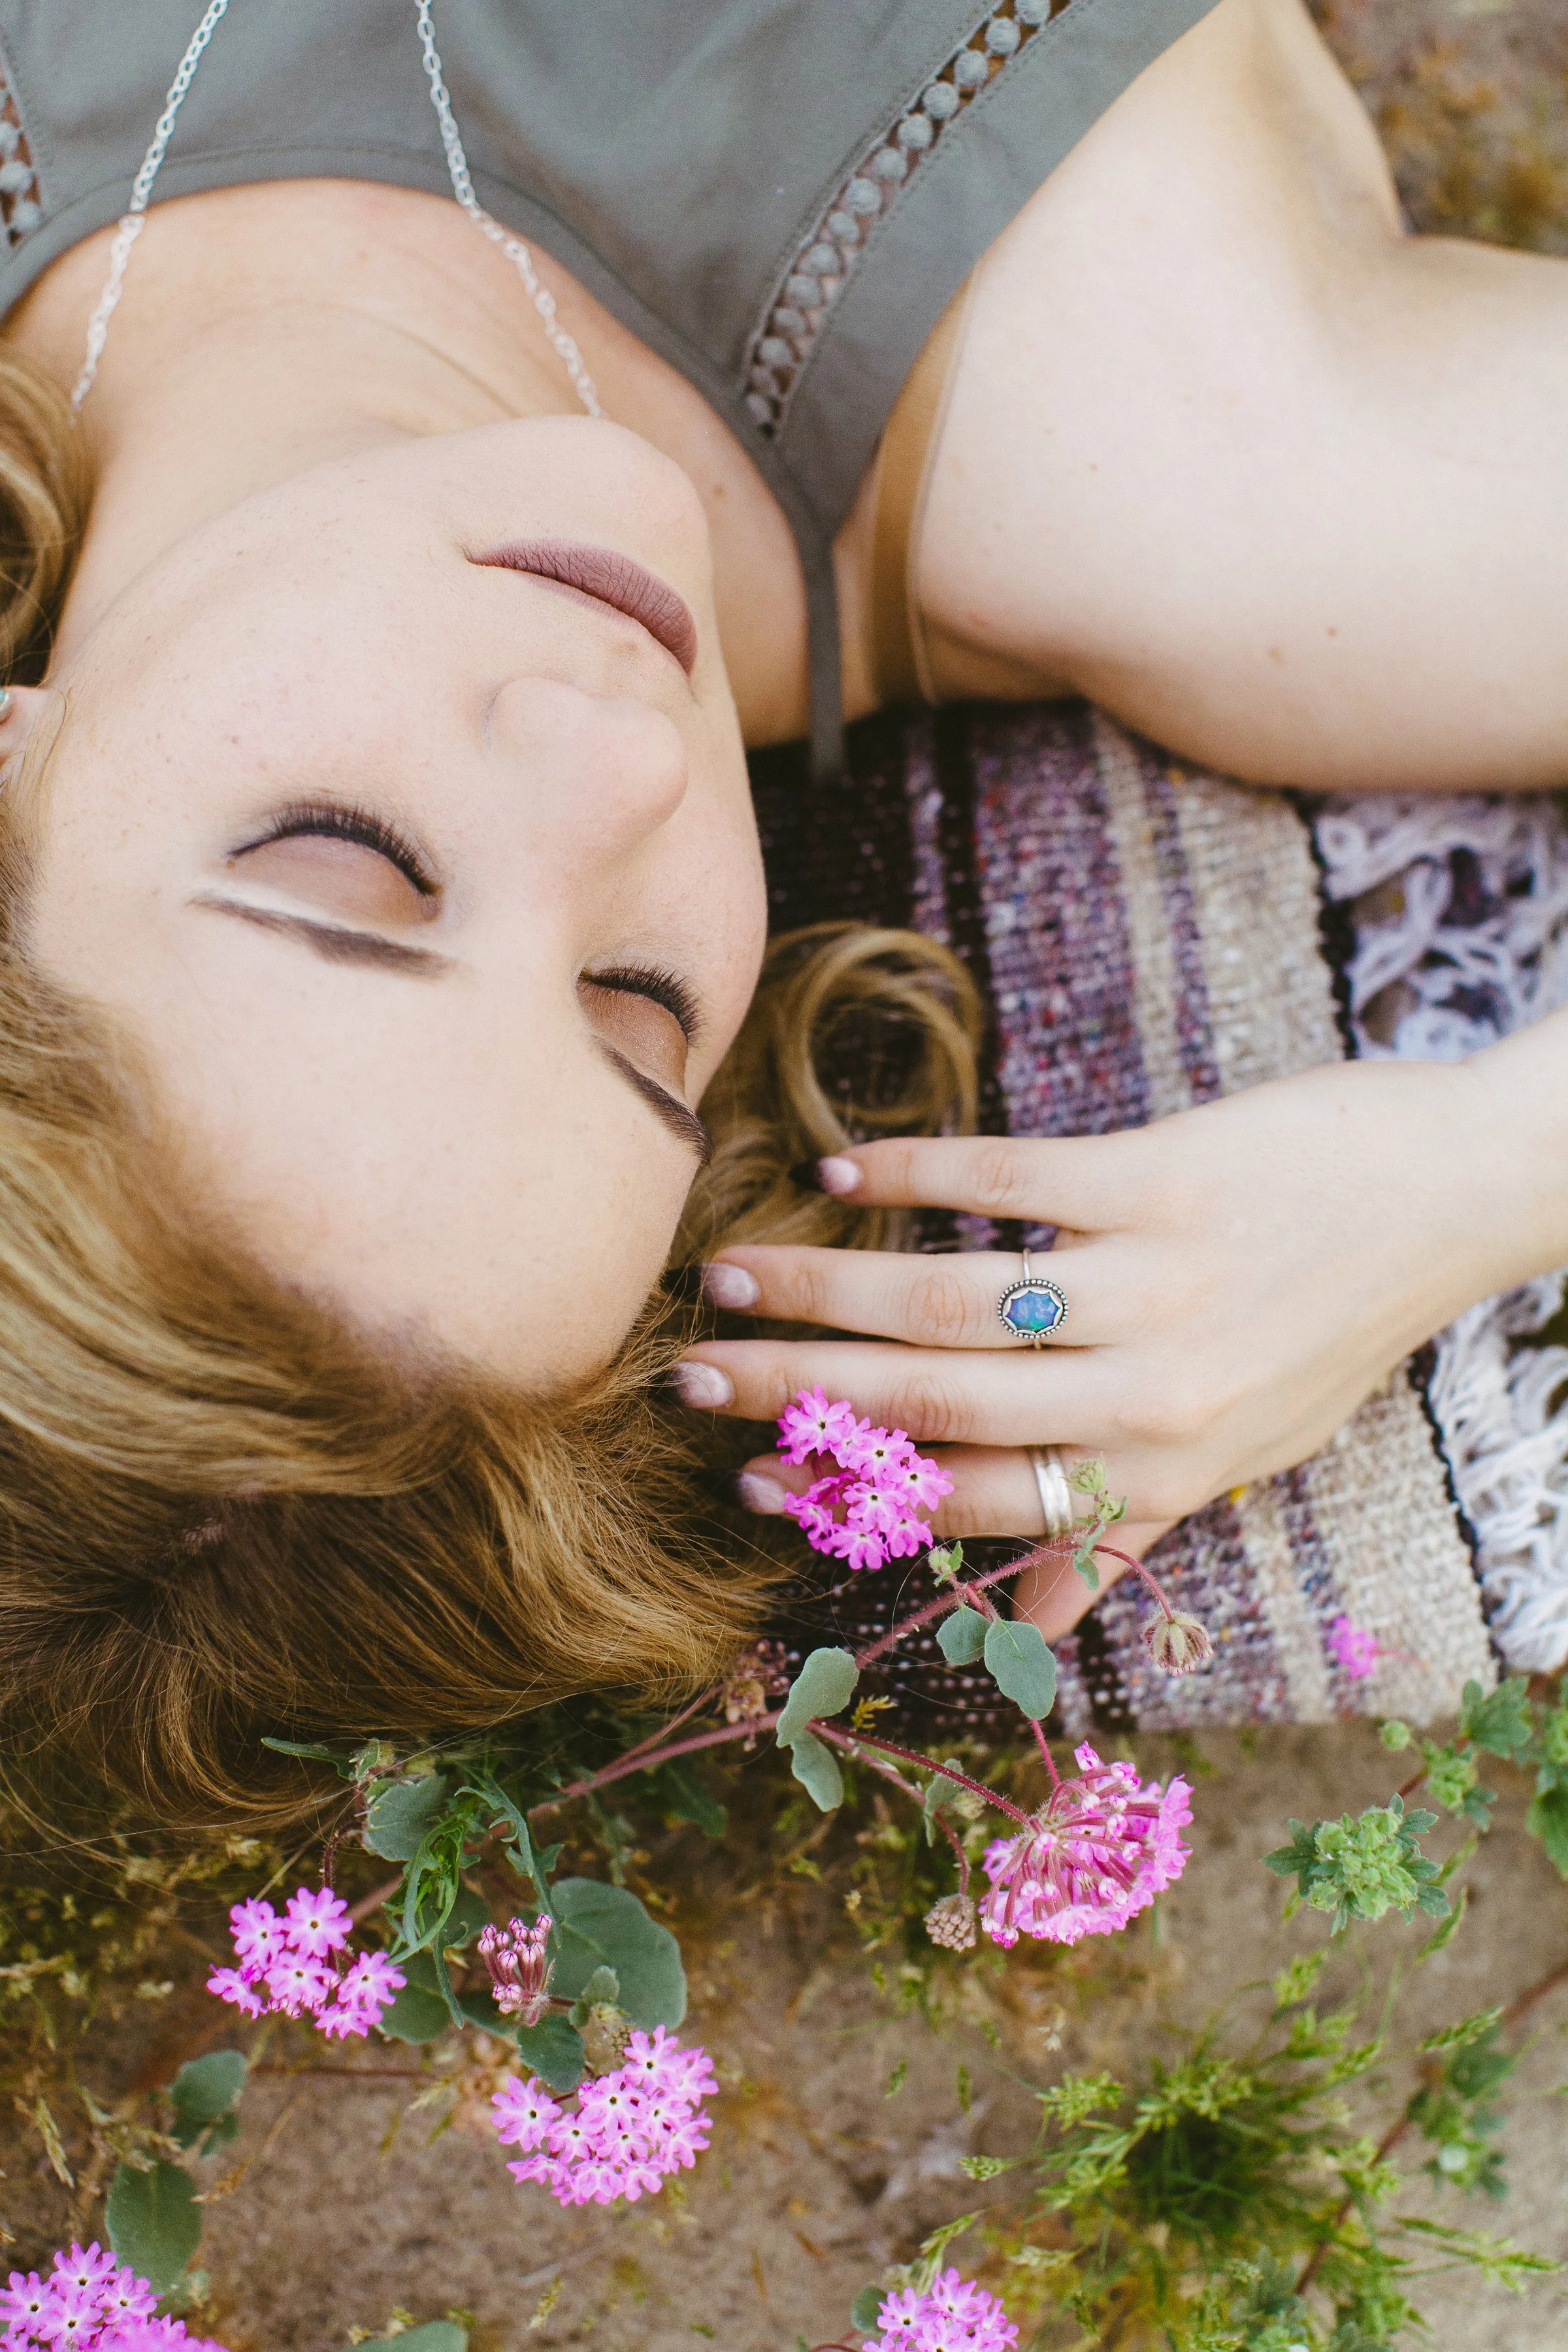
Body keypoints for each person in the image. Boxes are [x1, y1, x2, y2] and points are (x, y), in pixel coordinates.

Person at [0, 0, 1564, 1821]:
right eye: (639, 1011)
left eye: (346, 863)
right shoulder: (1213, 478)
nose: (621, 771)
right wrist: (1478, 1179)